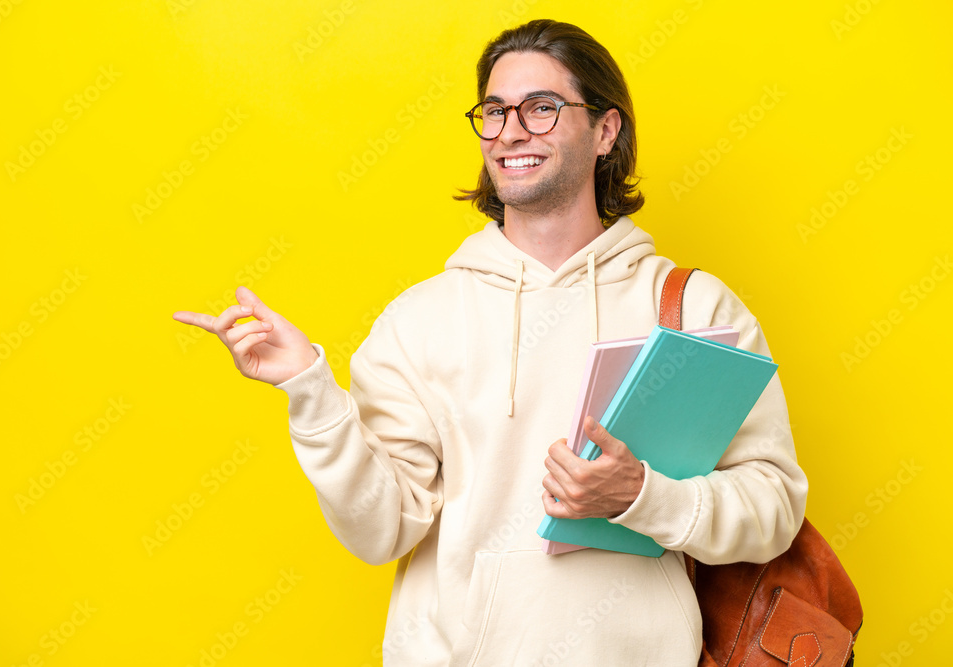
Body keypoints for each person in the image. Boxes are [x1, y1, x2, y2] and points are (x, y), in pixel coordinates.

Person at [173, 19, 807, 666]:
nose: (509, 131)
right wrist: (309, 387)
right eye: (495, 111)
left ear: (606, 130)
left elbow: (774, 506)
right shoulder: (418, 320)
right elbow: (378, 528)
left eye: (541, 109)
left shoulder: (692, 307)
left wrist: (643, 494)